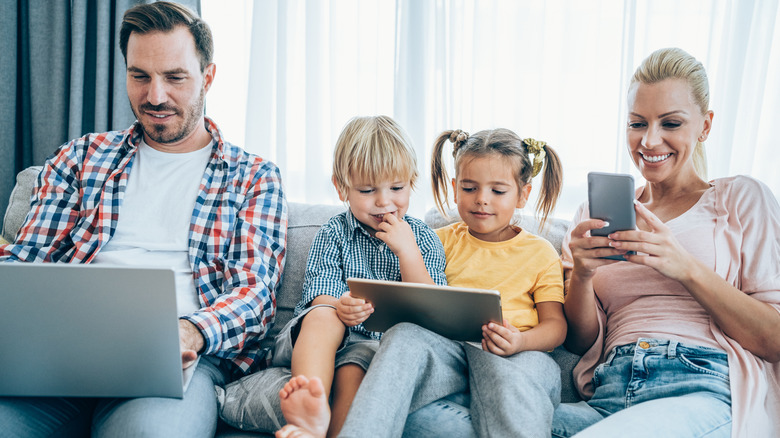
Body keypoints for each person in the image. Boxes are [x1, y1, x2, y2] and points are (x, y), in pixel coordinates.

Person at [0, 2, 287, 437]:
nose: (155, 96)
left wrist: (189, 332)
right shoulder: (81, 158)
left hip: (178, 362)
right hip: (61, 356)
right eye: (140, 76)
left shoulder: (253, 177)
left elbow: (255, 294)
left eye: (174, 78)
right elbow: (24, 263)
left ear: (207, 77)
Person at [280, 127, 568, 438]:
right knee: (402, 336)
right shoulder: (438, 239)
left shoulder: (541, 252)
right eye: (470, 188)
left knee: (502, 383)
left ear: (523, 195)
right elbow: (423, 307)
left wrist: (521, 342)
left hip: (516, 352)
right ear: (455, 189)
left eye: (497, 192)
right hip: (450, 353)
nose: (482, 200)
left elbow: (556, 328)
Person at [551, 47, 780, 437]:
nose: (650, 140)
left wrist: (685, 267)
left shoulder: (740, 199)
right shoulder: (594, 211)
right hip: (611, 391)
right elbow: (579, 339)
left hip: (701, 386)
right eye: (637, 123)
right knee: (437, 424)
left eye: (670, 123)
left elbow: (773, 339)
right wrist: (582, 276)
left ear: (705, 126)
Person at [220, 115, 447, 438]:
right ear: (341, 188)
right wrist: (342, 306)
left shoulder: (423, 239)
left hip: (380, 348)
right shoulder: (333, 234)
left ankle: (321, 430)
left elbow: (434, 311)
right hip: (327, 338)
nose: (384, 202)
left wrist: (408, 252)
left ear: (412, 182)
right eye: (368, 190)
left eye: (397, 188)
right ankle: (309, 399)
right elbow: (321, 294)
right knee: (325, 316)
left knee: (354, 371)